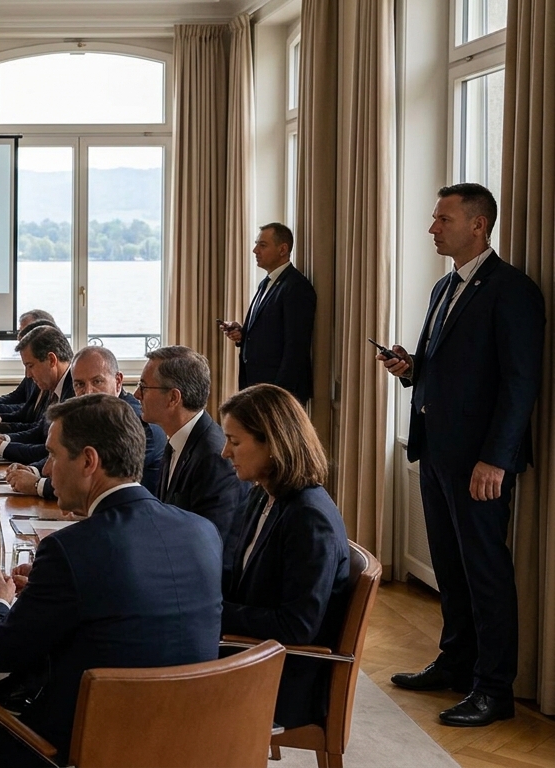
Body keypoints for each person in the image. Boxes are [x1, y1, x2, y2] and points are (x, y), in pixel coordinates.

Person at [0, 394, 223, 767]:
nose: (48, 470)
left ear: (89, 461)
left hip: (92, 746)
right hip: (192, 738)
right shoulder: (202, 532)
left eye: (54, 455)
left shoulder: (70, 549)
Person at [381, 183, 544, 727]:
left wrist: (496, 459)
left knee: (485, 573)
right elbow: (444, 367)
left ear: (478, 225)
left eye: (442, 219)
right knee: (450, 568)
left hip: (481, 463)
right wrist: (410, 369)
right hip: (437, 452)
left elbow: (519, 384)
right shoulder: (442, 288)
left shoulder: (512, 290)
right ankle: (455, 662)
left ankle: (493, 689)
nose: (432, 228)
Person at [219, 383, 350, 730]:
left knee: (153, 688)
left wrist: (215, 611)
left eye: (234, 442)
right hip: (253, 656)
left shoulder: (309, 517)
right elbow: (236, 576)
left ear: (273, 444)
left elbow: (297, 626)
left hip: (286, 677)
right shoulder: (262, 495)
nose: (224, 453)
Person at [2, 345, 165, 502]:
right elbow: (69, 456)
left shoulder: (135, 423)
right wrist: (34, 469)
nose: (87, 392)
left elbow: (96, 481)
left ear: (118, 381)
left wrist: (37, 484)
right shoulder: (90, 417)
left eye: (97, 382)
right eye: (79, 384)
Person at [135, 345, 250, 560]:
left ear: (173, 398)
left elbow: (211, 546)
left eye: (144, 386)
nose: (136, 394)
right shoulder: (176, 440)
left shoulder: (215, 458)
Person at [219, 223, 316, 403]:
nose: (255, 250)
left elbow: (295, 347)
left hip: (277, 394)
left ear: (283, 249)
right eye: (256, 244)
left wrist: (278, 395)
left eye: (262, 245)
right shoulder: (266, 283)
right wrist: (243, 333)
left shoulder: (296, 287)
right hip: (257, 388)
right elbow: (270, 332)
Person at [0, 326, 74, 464]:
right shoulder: (54, 384)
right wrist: (3, 438)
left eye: (30, 366)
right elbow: (38, 433)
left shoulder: (74, 392)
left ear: (52, 360)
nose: (28, 375)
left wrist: (2, 447)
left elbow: (53, 452)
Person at [0, 309, 52, 417]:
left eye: (26, 333)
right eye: (20, 332)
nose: (20, 338)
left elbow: (27, 410)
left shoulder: (45, 368)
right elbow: (17, 397)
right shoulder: (32, 365)